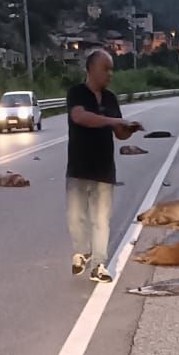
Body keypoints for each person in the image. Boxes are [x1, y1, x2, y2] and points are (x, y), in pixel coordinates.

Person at [65, 49, 142, 283]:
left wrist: (127, 128)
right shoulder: (76, 93)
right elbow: (80, 117)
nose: (110, 73)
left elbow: (119, 135)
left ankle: (99, 264)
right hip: (78, 167)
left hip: (104, 169)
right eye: (105, 68)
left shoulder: (110, 99)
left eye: (111, 69)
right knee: (76, 217)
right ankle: (82, 251)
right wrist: (113, 121)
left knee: (101, 220)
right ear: (91, 69)